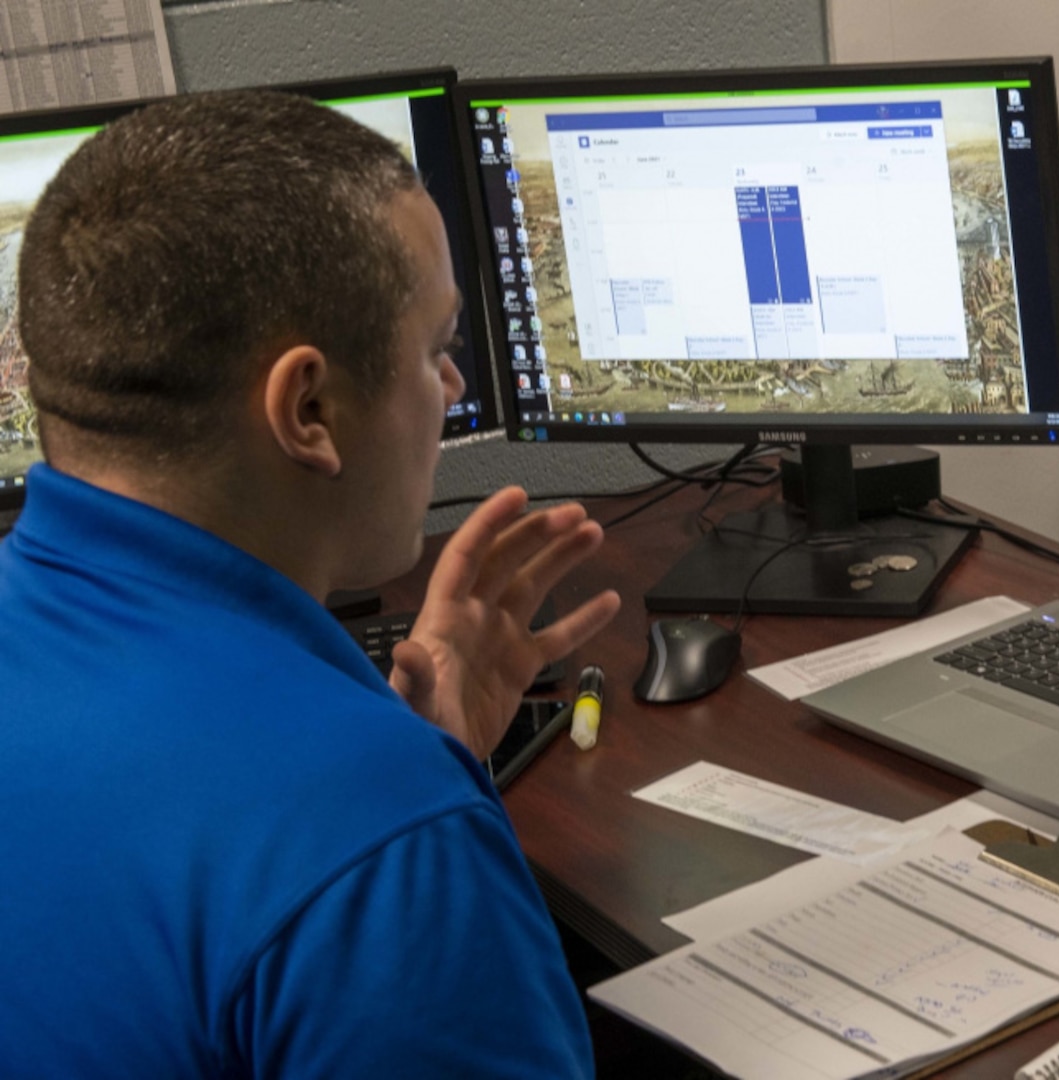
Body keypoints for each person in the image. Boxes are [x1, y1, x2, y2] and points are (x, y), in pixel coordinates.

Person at [0, 92, 621, 1077]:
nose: (454, 390)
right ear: (309, 408)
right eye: (438, 350)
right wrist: (403, 810)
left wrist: (415, 760)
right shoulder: (376, 842)